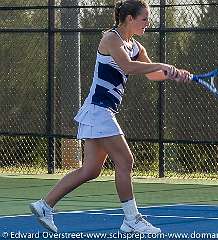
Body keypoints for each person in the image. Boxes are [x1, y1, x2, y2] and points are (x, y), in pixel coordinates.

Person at [30, 0, 191, 234]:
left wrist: (173, 74)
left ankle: (44, 206)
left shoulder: (136, 46)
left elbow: (152, 74)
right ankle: (131, 219)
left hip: (102, 111)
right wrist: (164, 65)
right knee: (126, 161)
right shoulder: (111, 39)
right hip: (99, 109)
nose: (148, 23)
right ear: (129, 19)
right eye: (144, 18)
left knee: (90, 170)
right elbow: (128, 68)